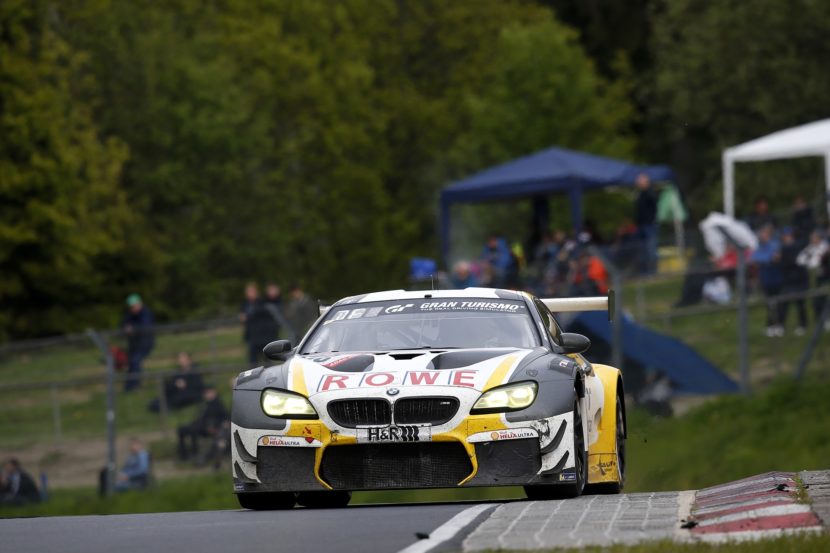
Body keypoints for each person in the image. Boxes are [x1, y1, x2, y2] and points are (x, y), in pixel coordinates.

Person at [177, 387, 228, 463]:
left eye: (209, 393)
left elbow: (224, 418)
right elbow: (199, 417)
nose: (207, 395)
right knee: (181, 429)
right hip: (200, 425)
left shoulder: (218, 404)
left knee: (193, 430)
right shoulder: (204, 404)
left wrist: (215, 426)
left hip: (208, 428)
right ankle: (183, 455)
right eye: (206, 393)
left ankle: (195, 453)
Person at [751, 224, 783, 337]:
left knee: (778, 302)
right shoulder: (759, 246)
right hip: (766, 279)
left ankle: (778, 325)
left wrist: (766, 258)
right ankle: (770, 325)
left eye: (763, 233)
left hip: (776, 278)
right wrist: (767, 258)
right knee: (769, 304)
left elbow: (775, 257)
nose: (761, 236)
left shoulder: (775, 244)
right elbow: (755, 258)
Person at [121, 294, 155, 392]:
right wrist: (126, 327)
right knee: (131, 363)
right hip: (134, 345)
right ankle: (129, 386)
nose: (133, 308)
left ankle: (135, 385)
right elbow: (123, 323)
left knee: (135, 361)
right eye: (131, 306)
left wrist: (133, 329)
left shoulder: (146, 313)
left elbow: (145, 327)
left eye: (135, 305)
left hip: (144, 344)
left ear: (140, 303)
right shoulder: (130, 315)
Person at [779, 228, 809, 335]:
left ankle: (802, 325)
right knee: (783, 304)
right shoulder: (783, 248)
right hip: (788, 281)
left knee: (800, 304)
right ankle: (781, 325)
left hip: (799, 281)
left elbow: (800, 263)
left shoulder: (798, 247)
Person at [798, 229, 830, 330]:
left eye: (814, 237)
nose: (812, 239)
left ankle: (827, 320)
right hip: (813, 278)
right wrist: (809, 258)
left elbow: (816, 262)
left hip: (824, 277)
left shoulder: (825, 247)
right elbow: (800, 260)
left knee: (825, 299)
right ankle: (820, 321)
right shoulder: (810, 248)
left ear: (819, 238)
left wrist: (810, 259)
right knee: (816, 301)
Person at [634, 173, 658, 275]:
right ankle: (644, 272)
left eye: (641, 181)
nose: (638, 183)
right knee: (642, 249)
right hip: (641, 225)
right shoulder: (640, 194)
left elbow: (654, 208)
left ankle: (653, 271)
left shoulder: (650, 193)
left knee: (651, 249)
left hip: (649, 225)